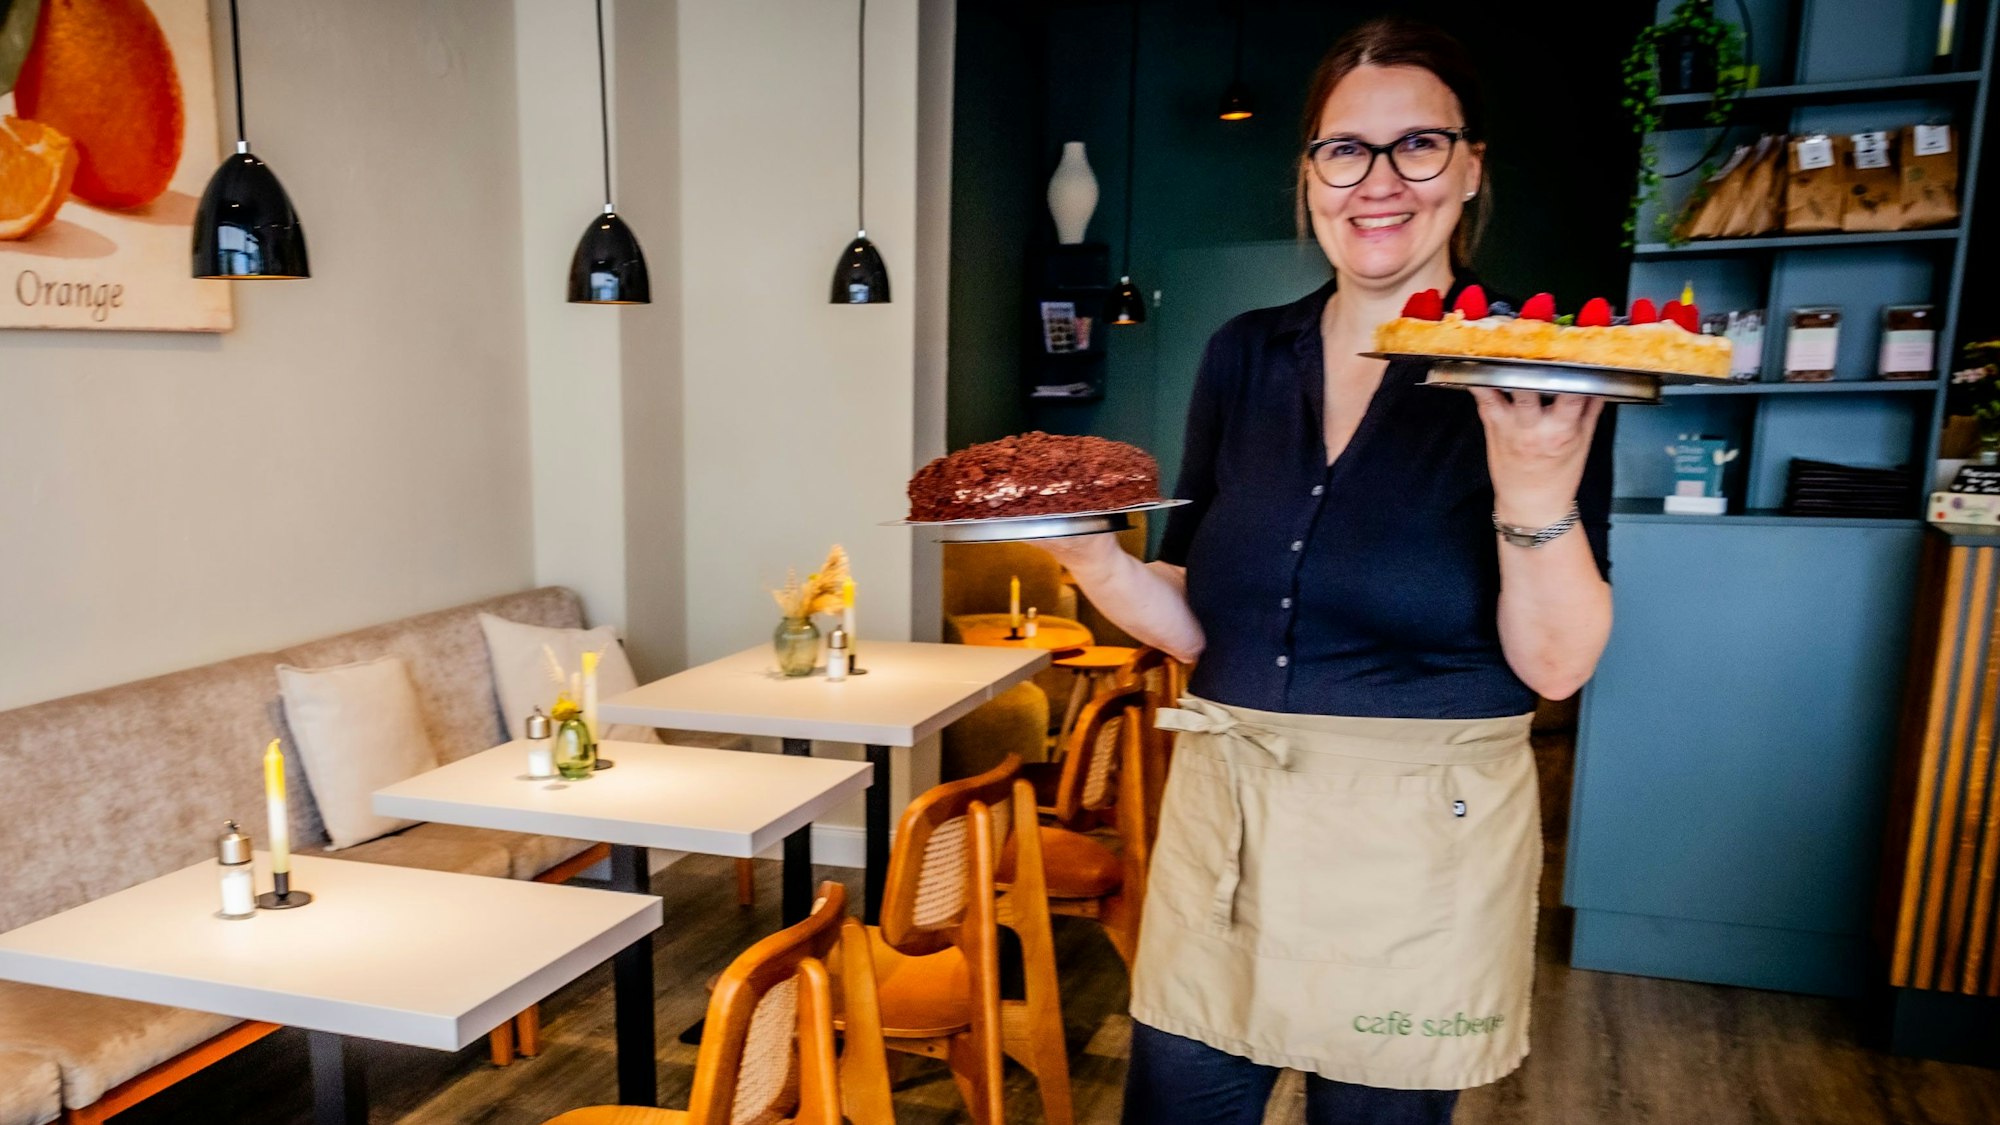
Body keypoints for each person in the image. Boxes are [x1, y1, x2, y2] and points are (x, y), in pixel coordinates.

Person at [1040, 16, 1615, 1125]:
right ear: (1309, 174)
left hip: (1422, 843)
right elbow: (1202, 618)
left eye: (1418, 145)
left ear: (1470, 166)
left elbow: (1554, 667)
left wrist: (1537, 492)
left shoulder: (1536, 367)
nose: (1378, 181)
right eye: (1345, 149)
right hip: (1228, 823)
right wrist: (1090, 557)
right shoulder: (1243, 354)